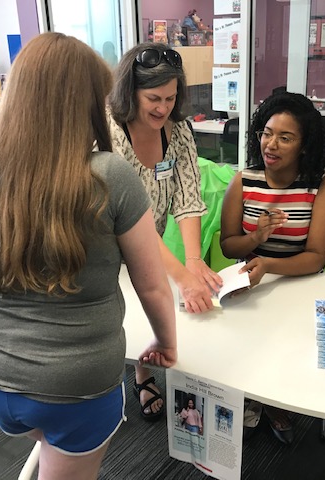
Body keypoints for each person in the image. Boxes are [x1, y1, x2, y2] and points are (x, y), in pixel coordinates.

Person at [0, 33, 177, 480]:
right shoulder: (110, 176)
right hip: (76, 388)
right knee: (63, 450)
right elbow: (151, 285)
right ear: (85, 103)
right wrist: (166, 344)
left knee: (46, 441)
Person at [220, 91, 325, 444]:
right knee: (232, 340)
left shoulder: (324, 186)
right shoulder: (243, 180)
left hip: (301, 283)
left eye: (285, 138)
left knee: (285, 346)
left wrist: (268, 264)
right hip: (250, 283)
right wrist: (255, 238)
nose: (271, 144)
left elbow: (316, 257)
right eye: (267, 133)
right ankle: (252, 396)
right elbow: (228, 245)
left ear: (304, 146)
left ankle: (274, 401)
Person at [108, 42, 223, 421]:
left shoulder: (179, 131)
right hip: (105, 243)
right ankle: (113, 378)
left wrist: (193, 261)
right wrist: (183, 278)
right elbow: (128, 221)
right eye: (153, 99)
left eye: (171, 98)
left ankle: (142, 371)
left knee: (152, 304)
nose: (163, 108)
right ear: (130, 93)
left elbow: (188, 198)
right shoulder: (111, 134)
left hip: (148, 242)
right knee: (115, 314)